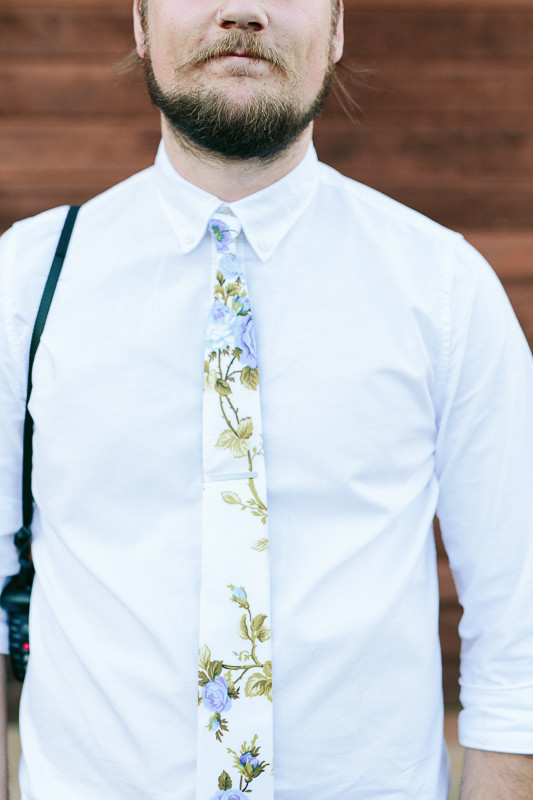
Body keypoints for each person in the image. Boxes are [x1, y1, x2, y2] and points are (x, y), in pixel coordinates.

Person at [0, 1, 532, 798]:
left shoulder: (442, 288)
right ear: (140, 23)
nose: (241, 9)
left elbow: (520, 627)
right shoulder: (26, 282)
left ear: (338, 27)